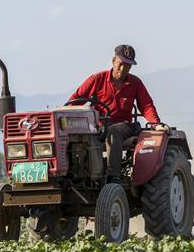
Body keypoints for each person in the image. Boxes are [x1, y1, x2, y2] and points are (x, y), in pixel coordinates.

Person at [69, 44, 169, 181]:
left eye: (127, 66)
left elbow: (146, 106)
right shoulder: (97, 79)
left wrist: (156, 124)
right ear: (113, 61)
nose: (122, 69)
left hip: (124, 126)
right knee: (78, 137)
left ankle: (113, 176)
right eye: (120, 64)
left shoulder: (135, 83)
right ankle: (79, 176)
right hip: (98, 127)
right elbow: (76, 99)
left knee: (113, 131)